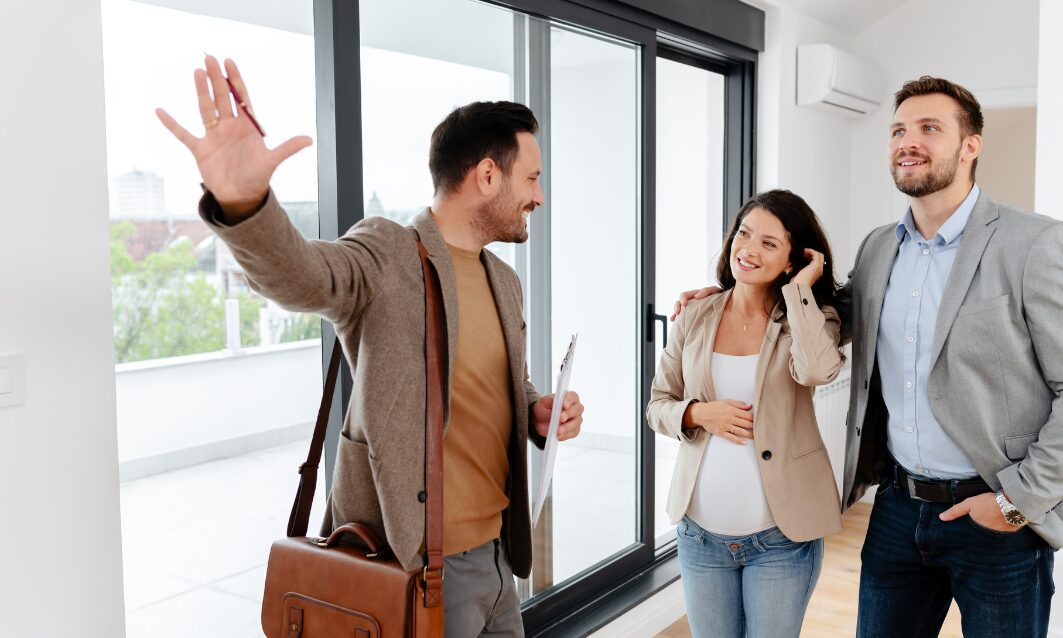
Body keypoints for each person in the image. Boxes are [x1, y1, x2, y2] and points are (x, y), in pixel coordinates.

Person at [156, 55, 585, 637]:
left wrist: (537, 409)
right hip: (412, 563)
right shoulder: (387, 254)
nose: (539, 195)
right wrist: (245, 204)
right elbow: (303, 276)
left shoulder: (503, 281)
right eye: (532, 178)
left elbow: (490, 383)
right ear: (487, 175)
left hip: (498, 557)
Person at [675, 77, 1062, 637]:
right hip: (898, 510)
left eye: (930, 128)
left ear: (971, 145)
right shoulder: (880, 247)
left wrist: (1017, 503)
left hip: (993, 516)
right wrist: (731, 292)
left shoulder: (1031, 244)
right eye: (899, 130)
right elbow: (827, 319)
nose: (910, 141)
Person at [647, 190, 845, 638]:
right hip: (700, 538)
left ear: (793, 261)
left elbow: (816, 370)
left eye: (769, 244)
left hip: (779, 541)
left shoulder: (813, 318)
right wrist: (697, 414)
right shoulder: (694, 315)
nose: (749, 249)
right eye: (744, 233)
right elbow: (657, 405)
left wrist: (798, 293)